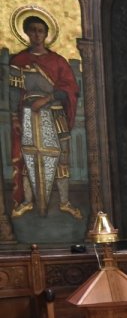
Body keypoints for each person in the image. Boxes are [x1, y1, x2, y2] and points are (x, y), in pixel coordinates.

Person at [9, 14, 82, 219]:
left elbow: (70, 88)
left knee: (61, 159)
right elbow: (14, 92)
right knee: (29, 157)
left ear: (46, 34)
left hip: (54, 114)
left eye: (40, 30)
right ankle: (27, 201)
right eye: (32, 30)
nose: (36, 34)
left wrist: (47, 99)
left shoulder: (57, 61)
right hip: (28, 116)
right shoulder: (19, 61)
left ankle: (65, 202)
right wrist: (15, 118)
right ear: (26, 33)